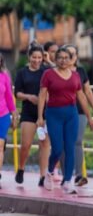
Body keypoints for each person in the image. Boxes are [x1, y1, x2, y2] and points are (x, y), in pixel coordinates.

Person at [37, 46, 93, 194]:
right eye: (60, 58)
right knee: (57, 149)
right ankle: (49, 171)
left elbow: (81, 96)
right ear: (55, 59)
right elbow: (42, 95)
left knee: (70, 147)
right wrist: (40, 117)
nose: (63, 61)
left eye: (66, 58)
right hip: (53, 114)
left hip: (71, 114)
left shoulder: (75, 76)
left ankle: (68, 181)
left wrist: (89, 116)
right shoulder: (48, 74)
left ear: (71, 60)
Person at [13, 45, 51, 187]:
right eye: (34, 57)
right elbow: (17, 93)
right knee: (26, 145)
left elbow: (58, 74)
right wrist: (29, 97)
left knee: (45, 144)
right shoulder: (22, 73)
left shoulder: (46, 71)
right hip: (28, 112)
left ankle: (42, 176)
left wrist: (49, 60)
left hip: (45, 112)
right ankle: (21, 168)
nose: (36, 60)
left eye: (39, 57)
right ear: (29, 57)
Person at [63, 45, 93, 186]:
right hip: (61, 110)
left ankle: (78, 175)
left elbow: (88, 91)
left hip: (80, 110)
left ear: (76, 57)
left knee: (77, 141)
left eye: (73, 54)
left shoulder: (81, 71)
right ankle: (66, 174)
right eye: (67, 54)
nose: (70, 57)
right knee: (63, 143)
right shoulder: (55, 72)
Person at [0, 53, 18, 187]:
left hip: (3, 115)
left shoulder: (4, 75)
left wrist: (14, 114)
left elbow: (8, 96)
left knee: (0, 146)